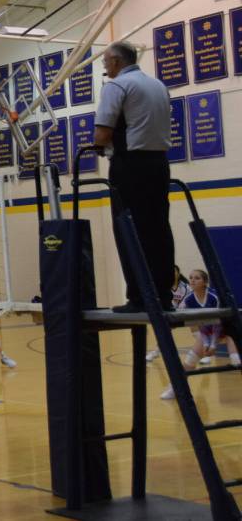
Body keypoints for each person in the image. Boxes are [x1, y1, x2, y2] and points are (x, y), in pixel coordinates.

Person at [94, 41, 174, 313]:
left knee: (127, 230)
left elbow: (102, 134)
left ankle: (138, 298)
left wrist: (97, 146)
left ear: (116, 61)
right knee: (159, 230)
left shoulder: (116, 86)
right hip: (159, 164)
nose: (105, 67)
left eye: (105, 62)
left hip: (129, 166)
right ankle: (163, 296)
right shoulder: (158, 85)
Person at [160, 269, 226, 400]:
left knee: (235, 360)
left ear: (205, 282)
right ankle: (175, 388)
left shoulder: (214, 296)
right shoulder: (189, 299)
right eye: (191, 278)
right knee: (190, 360)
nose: (192, 280)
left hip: (226, 329)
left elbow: (219, 323)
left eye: (197, 278)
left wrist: (212, 345)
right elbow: (179, 315)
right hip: (208, 332)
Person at [147, 265, 190, 363]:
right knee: (164, 330)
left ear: (178, 273)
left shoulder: (185, 287)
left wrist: (178, 311)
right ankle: (156, 351)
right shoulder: (164, 287)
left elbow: (186, 301)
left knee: (197, 329)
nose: (172, 274)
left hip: (184, 313)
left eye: (174, 271)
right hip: (170, 314)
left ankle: (204, 353)